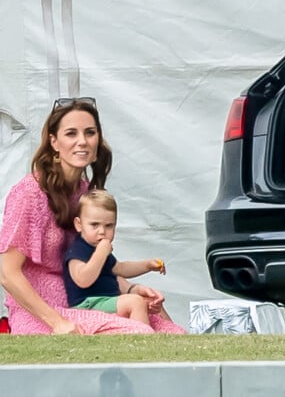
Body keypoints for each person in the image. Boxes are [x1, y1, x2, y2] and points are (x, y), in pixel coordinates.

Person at [0, 97, 186, 334]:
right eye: (71, 134)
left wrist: (130, 290)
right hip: (43, 313)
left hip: (88, 301)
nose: (82, 141)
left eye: (90, 132)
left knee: (173, 332)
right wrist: (57, 322)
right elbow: (8, 274)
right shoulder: (30, 193)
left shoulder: (86, 193)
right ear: (54, 142)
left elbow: (97, 263)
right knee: (138, 333)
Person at [64, 189, 167, 325]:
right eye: (94, 225)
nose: (102, 231)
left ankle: (173, 336)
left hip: (106, 300)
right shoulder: (77, 250)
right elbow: (83, 279)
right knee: (135, 302)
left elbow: (121, 268)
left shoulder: (100, 249)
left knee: (146, 300)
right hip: (87, 305)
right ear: (79, 225)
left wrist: (147, 265)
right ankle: (143, 339)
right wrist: (100, 253)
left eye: (109, 226)